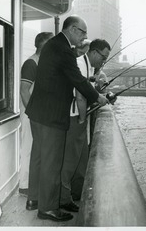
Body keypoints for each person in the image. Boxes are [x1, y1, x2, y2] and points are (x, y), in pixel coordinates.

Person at [25, 15, 109, 222]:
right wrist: (97, 97)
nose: (84, 37)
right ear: (72, 29)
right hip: (51, 115)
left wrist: (89, 85)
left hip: (41, 112)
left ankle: (41, 201)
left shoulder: (55, 45)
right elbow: (77, 79)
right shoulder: (63, 49)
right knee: (52, 163)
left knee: (45, 161)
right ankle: (48, 208)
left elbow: (64, 75)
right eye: (82, 33)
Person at [61, 39, 112, 209]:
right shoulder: (80, 64)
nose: (103, 61)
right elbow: (80, 96)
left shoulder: (87, 65)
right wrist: (83, 119)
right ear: (94, 52)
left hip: (78, 116)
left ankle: (77, 193)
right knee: (70, 160)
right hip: (74, 116)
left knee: (81, 157)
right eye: (103, 57)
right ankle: (63, 199)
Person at [19, 32, 54, 197]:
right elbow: (24, 91)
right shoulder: (31, 63)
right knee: (28, 148)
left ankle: (33, 185)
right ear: (44, 45)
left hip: (39, 115)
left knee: (37, 149)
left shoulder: (43, 63)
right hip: (30, 114)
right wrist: (33, 114)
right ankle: (24, 186)